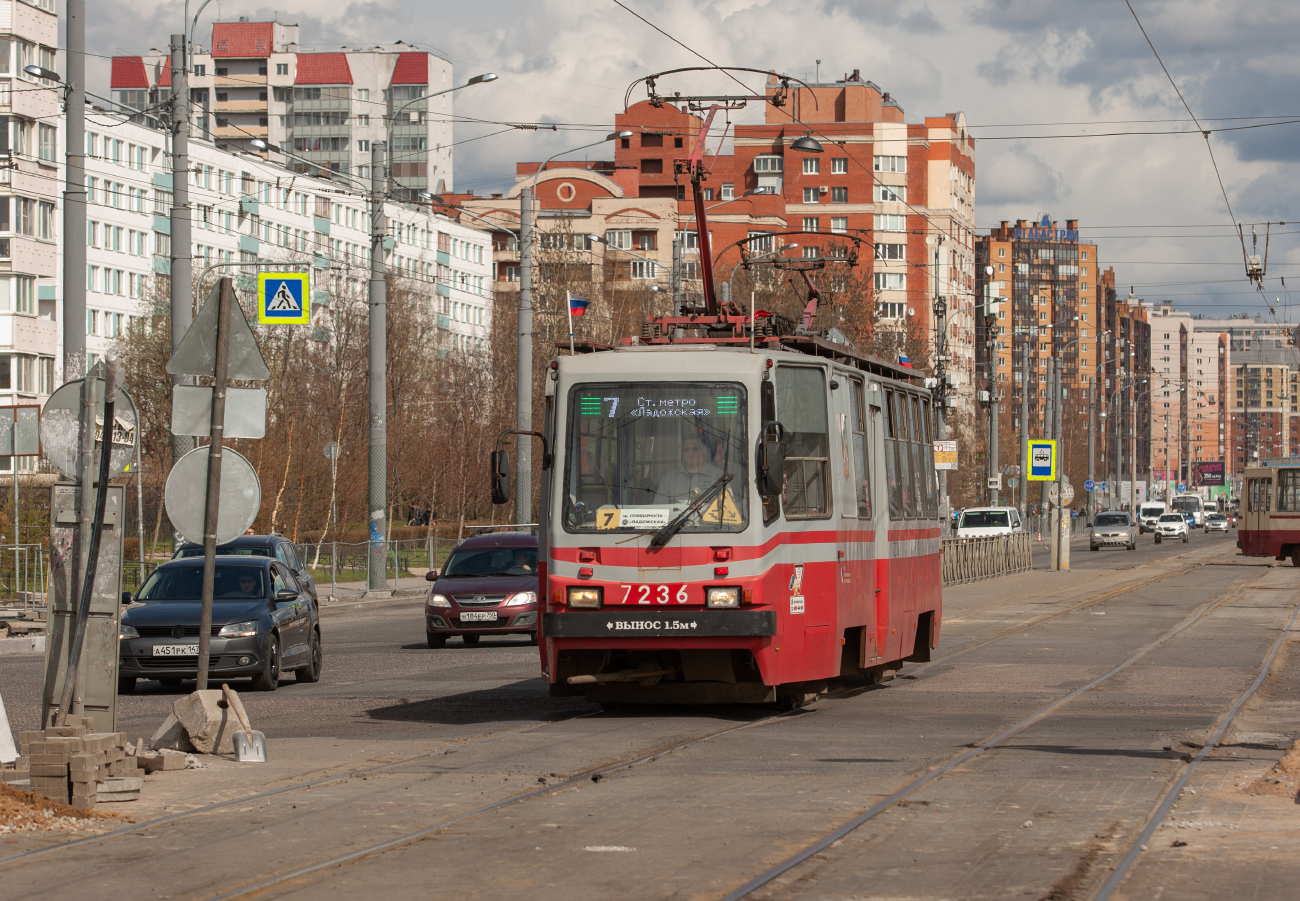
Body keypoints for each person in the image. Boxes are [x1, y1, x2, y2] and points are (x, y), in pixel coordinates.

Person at [656, 434, 723, 503]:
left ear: (703, 450)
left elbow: (728, 507)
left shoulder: (718, 475)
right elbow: (657, 509)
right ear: (682, 453)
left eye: (694, 449)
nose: (690, 453)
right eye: (686, 449)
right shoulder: (669, 478)